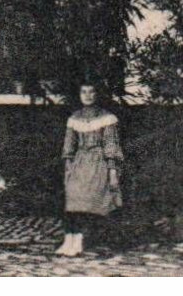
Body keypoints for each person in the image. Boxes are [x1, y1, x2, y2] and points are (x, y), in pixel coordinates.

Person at [57, 81, 123, 257]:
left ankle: (78, 241)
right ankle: (68, 240)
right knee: (72, 200)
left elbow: (111, 145)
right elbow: (69, 145)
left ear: (97, 94)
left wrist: (112, 171)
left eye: (91, 92)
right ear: (79, 95)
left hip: (98, 162)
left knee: (86, 202)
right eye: (83, 92)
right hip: (79, 162)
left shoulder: (107, 118)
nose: (87, 95)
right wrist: (68, 167)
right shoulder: (74, 118)